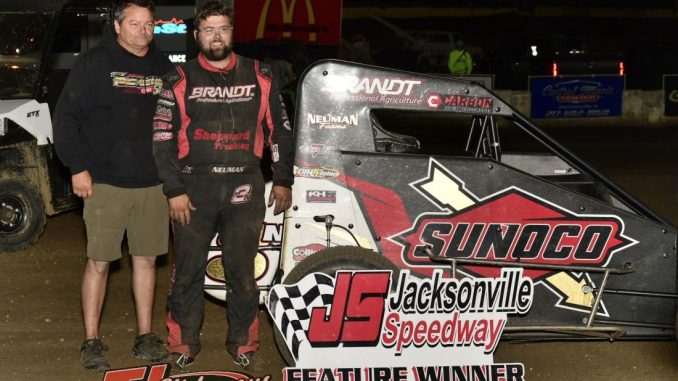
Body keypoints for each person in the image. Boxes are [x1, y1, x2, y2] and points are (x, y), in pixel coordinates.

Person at [151, 0, 294, 372]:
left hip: (244, 184)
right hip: (193, 188)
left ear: (233, 32)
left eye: (224, 28)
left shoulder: (260, 74)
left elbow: (279, 130)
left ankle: (244, 344)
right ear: (197, 36)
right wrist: (174, 190)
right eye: (209, 29)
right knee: (187, 271)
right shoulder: (179, 79)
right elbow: (162, 138)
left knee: (243, 272)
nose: (217, 36)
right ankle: (183, 342)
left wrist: (282, 179)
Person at [53, 0, 174, 372]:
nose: (143, 31)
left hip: (152, 183)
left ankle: (144, 336)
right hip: (104, 181)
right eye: (135, 24)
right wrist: (78, 168)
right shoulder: (94, 64)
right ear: (118, 26)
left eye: (149, 24)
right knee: (100, 261)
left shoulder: (164, 67)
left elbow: (178, 121)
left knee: (146, 260)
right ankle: (91, 341)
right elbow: (66, 118)